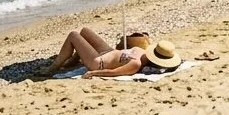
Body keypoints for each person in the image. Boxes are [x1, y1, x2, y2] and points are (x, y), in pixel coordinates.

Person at [36, 28, 181, 78]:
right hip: (108, 52)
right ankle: (72, 61)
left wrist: (93, 73)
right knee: (85, 31)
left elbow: (114, 72)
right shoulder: (143, 51)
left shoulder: (136, 64)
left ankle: (53, 68)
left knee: (73, 35)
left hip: (98, 62)